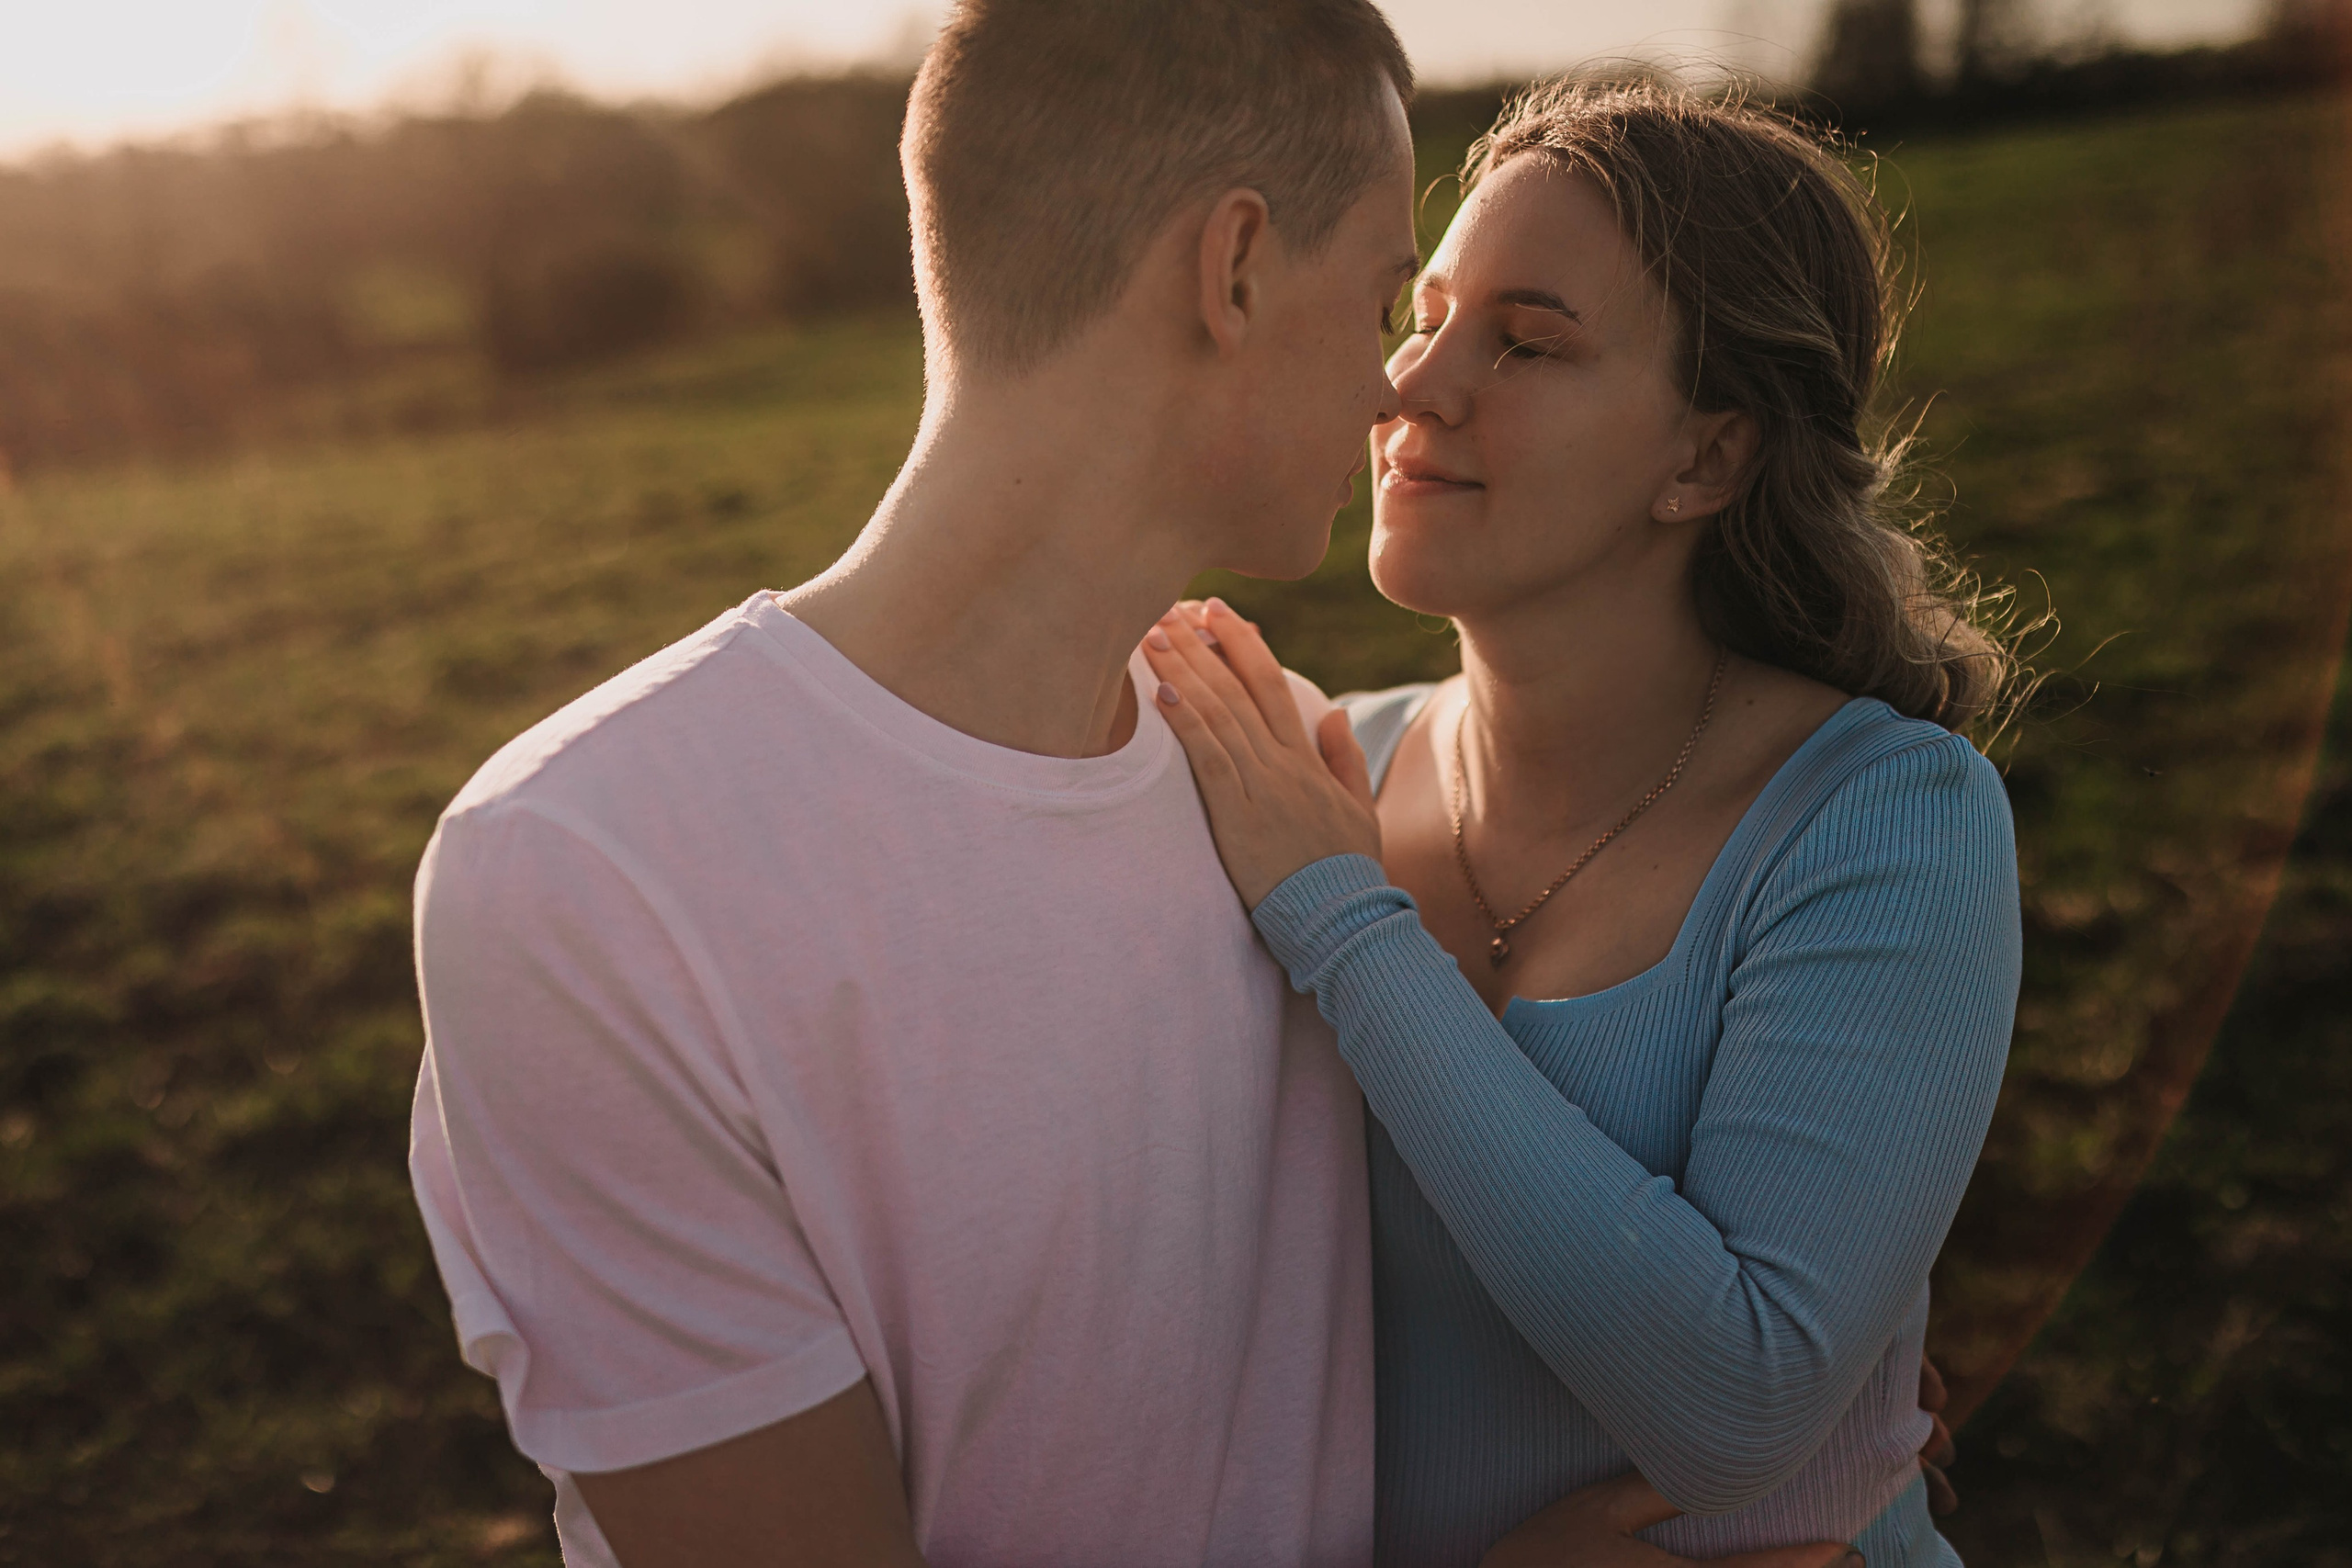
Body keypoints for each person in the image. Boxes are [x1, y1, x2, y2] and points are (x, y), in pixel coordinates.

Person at [1142, 78, 2021, 1568]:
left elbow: (1737, 1405)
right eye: (1419, 316)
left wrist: (1349, 929)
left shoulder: (1885, 818)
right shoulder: (1313, 772)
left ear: (1708, 457)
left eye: (1529, 342)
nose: (1410, 387)